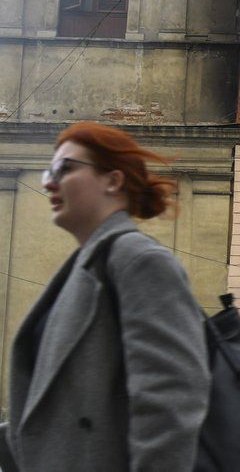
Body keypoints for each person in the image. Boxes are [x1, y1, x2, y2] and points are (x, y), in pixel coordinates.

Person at [0, 122, 210, 471]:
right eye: (49, 172)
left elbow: (171, 397)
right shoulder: (84, 266)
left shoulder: (138, 260)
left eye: (65, 169)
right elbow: (56, 417)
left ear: (112, 181)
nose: (49, 182)